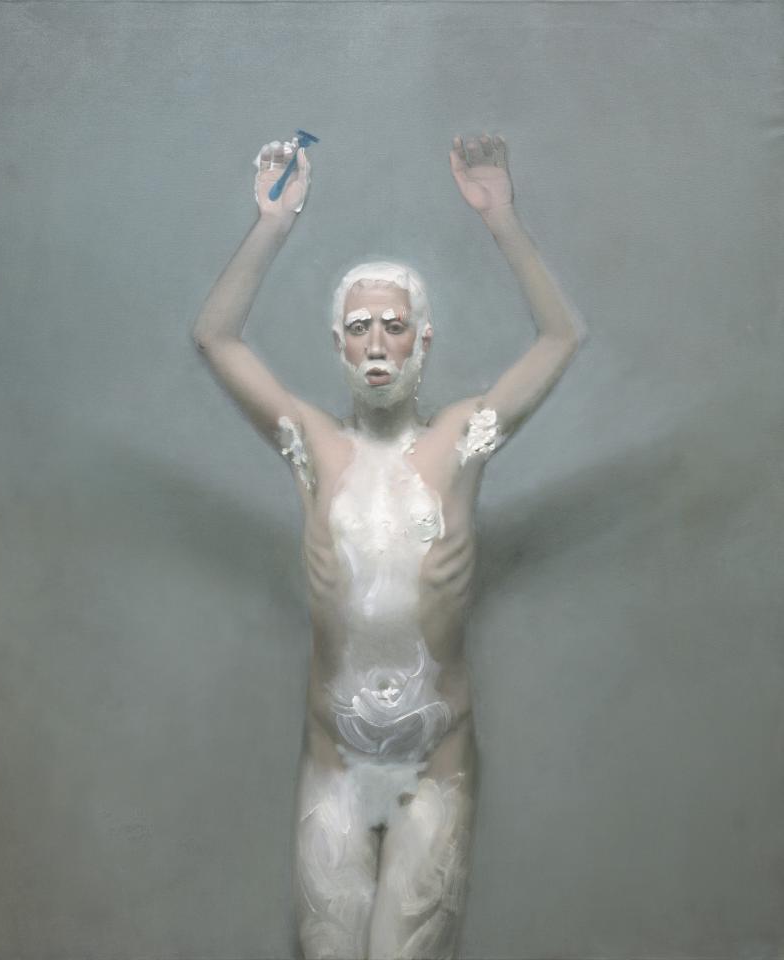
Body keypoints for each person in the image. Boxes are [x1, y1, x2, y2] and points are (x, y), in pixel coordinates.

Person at [193, 131, 586, 959]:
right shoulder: (312, 446)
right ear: (337, 344)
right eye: (360, 328)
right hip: (333, 767)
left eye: (395, 327)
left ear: (424, 339)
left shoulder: (459, 443)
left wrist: (503, 219)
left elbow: (560, 338)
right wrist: (272, 224)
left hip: (435, 768)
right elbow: (216, 339)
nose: (377, 343)